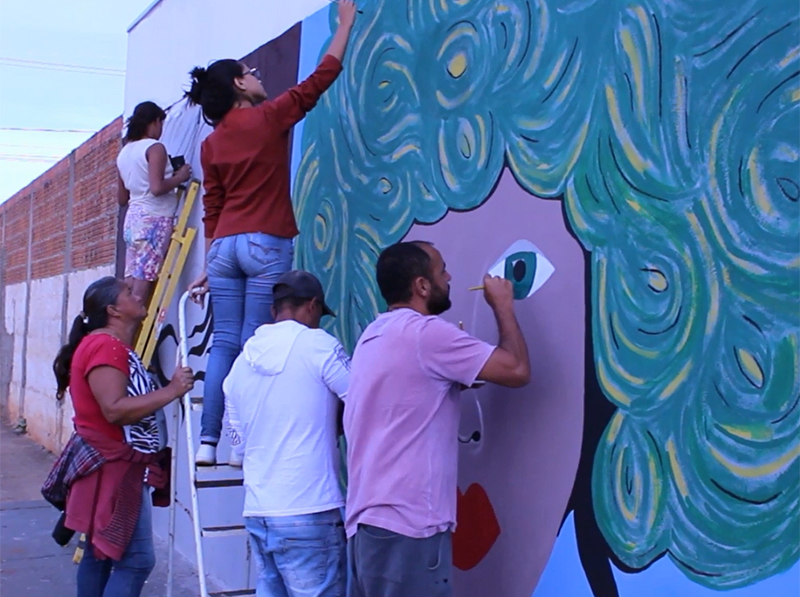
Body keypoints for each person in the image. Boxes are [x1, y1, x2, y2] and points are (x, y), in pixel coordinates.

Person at [184, 0, 358, 466]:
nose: (259, 74)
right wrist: (344, 25)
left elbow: (213, 205)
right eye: (251, 71)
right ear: (240, 84)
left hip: (225, 247)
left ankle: (209, 441)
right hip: (265, 242)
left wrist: (208, 262)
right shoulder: (268, 117)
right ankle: (241, 443)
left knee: (225, 342)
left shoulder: (211, 142)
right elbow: (321, 77)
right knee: (256, 341)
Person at [343, 241, 531, 597]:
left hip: (370, 526)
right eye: (442, 270)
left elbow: (420, 391)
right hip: (408, 528)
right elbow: (517, 370)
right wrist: (503, 306)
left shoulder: (375, 335)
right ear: (422, 286)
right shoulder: (425, 334)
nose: (449, 277)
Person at [45, 276, 194, 597]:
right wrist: (172, 390)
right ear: (113, 310)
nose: (138, 294)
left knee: (101, 555)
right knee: (137, 560)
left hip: (112, 466)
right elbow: (114, 409)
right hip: (114, 469)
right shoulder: (106, 346)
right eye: (129, 292)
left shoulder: (109, 345)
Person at [223, 270, 350, 597]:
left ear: (273, 311)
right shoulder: (317, 345)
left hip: (259, 512)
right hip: (309, 509)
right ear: (312, 305)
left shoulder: (240, 363)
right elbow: (363, 400)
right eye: (320, 314)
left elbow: (237, 446)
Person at [117, 101, 192, 305]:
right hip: (153, 219)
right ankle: (129, 333)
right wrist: (180, 176)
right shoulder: (154, 147)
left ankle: (122, 332)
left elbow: (122, 198)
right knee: (140, 295)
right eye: (160, 124)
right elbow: (157, 188)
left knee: (131, 282)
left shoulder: (124, 152)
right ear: (155, 122)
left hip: (133, 220)